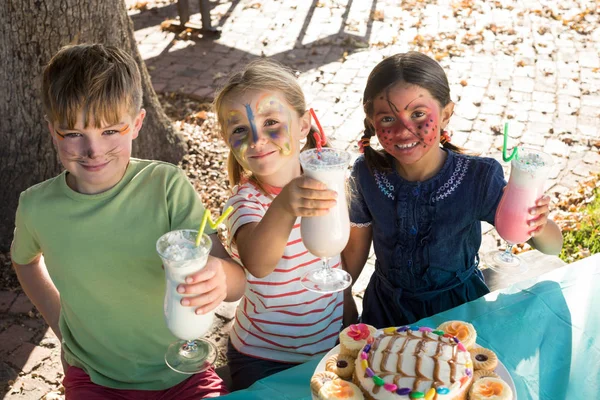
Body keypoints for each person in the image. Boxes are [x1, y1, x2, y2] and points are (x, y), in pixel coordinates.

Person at [10, 44, 246, 399]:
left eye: (110, 131)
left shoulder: (167, 187)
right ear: (52, 129)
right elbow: (24, 260)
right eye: (73, 133)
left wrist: (220, 277)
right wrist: (60, 322)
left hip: (182, 373)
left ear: (136, 124)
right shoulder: (36, 207)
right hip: (93, 378)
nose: (93, 150)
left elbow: (237, 283)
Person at [342, 51, 563, 328]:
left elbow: (553, 247)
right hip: (386, 314)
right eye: (387, 119)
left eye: (418, 114)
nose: (403, 130)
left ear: (446, 114)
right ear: (372, 120)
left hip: (458, 316)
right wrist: (342, 294)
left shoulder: (477, 177)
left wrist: (539, 225)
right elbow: (355, 249)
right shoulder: (367, 174)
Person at [214, 59, 343, 391]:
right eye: (240, 129)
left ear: (303, 126)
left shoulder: (327, 180)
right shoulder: (244, 202)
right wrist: (285, 205)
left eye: (271, 122)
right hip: (262, 356)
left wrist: (346, 306)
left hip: (329, 346)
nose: (256, 139)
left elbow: (350, 244)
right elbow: (258, 262)